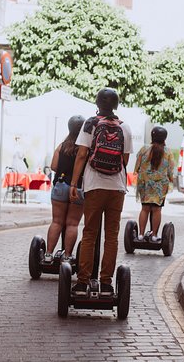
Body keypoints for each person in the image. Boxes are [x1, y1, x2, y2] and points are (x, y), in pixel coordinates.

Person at [69, 88, 133, 297]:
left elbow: (81, 155)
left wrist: (73, 183)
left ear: (97, 103)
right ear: (116, 105)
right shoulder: (125, 128)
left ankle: (82, 282)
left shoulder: (90, 124)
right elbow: (124, 161)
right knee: (111, 237)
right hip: (117, 188)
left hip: (94, 185)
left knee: (89, 234)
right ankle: (106, 283)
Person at [43, 115, 86, 264]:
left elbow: (54, 166)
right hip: (78, 188)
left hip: (60, 185)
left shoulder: (62, 146)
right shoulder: (85, 148)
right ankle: (67, 256)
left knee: (56, 221)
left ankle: (48, 254)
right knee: (72, 224)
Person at [134, 126, 174, 242]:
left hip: (145, 184)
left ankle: (141, 235)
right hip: (160, 186)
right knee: (157, 210)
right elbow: (171, 172)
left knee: (145, 208)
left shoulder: (144, 149)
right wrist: (170, 179)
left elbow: (137, 168)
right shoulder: (168, 152)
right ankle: (154, 235)